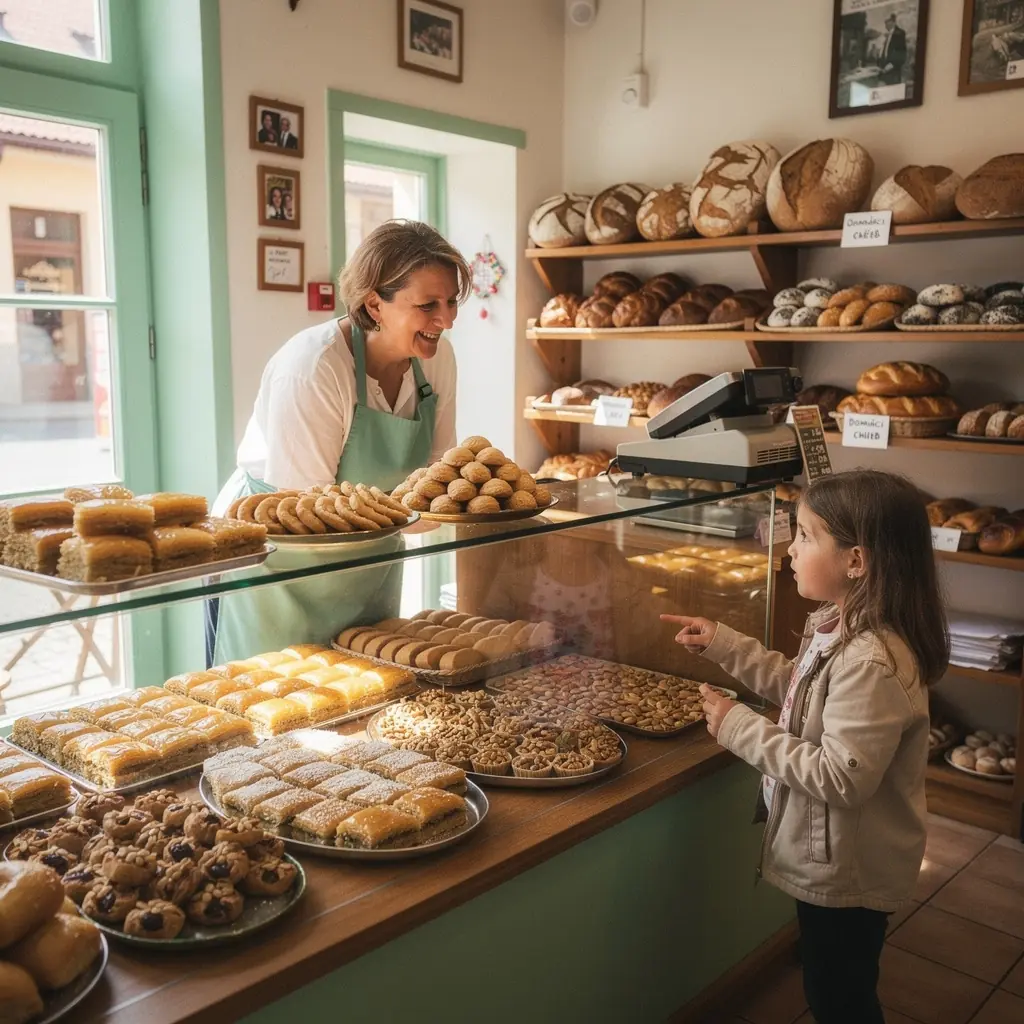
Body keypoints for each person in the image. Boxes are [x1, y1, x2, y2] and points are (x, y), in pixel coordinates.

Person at [661, 470, 947, 1024]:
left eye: (806, 537)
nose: (789, 549)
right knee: (832, 977)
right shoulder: (847, 627)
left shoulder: (871, 661)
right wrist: (725, 646)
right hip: (836, 858)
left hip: (850, 871)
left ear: (856, 561)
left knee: (840, 997)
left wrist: (738, 726)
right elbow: (803, 689)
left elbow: (842, 777)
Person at [207, 220, 469, 664]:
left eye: (451, 301)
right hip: (282, 562)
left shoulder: (436, 356)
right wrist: (410, 514)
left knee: (365, 695)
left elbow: (438, 473)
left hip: (369, 559)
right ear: (375, 303)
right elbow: (310, 509)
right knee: (278, 706)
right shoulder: (314, 367)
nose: (445, 320)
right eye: (428, 305)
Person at [879, 12, 907, 84]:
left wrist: (887, 68)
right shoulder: (888, 35)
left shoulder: (900, 33)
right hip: (885, 71)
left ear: (893, 22)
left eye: (887, 22)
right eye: (885, 22)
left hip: (893, 72)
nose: (885, 25)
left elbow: (901, 56)